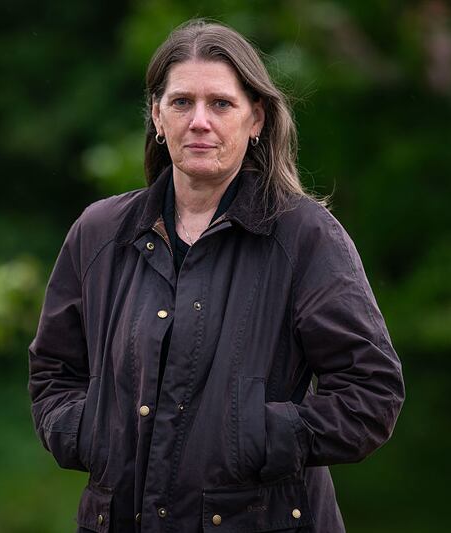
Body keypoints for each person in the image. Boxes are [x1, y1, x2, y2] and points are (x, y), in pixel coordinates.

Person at [28, 19, 404, 533]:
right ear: (157, 116)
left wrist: (250, 436)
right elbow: (52, 372)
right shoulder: (99, 234)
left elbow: (371, 393)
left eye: (221, 104)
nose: (199, 121)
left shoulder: (305, 236)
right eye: (182, 102)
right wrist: (92, 434)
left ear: (256, 120)